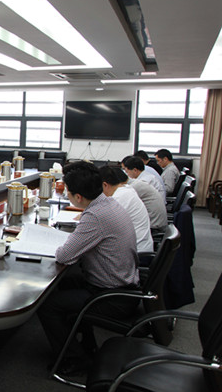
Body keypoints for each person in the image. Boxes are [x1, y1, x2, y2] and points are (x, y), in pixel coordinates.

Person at [37, 161, 139, 376]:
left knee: (48, 305)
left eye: (67, 191)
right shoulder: (107, 203)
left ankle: (75, 359)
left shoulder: (95, 216)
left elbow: (65, 256)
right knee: (63, 283)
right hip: (122, 285)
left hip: (112, 297)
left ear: (78, 197)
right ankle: (85, 344)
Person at [99, 166, 154, 255]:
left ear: (105, 185)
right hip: (137, 246)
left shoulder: (119, 197)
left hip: (136, 253)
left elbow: (99, 222)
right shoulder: (126, 189)